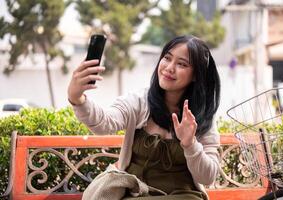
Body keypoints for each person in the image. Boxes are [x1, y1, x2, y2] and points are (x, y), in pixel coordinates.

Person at [67, 35, 221, 200]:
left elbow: (208, 177)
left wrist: (190, 144)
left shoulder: (201, 117)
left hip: (183, 196)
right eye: (167, 58)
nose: (169, 67)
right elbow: (104, 123)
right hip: (136, 192)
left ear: (196, 75)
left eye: (181, 64)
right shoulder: (139, 102)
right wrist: (77, 98)